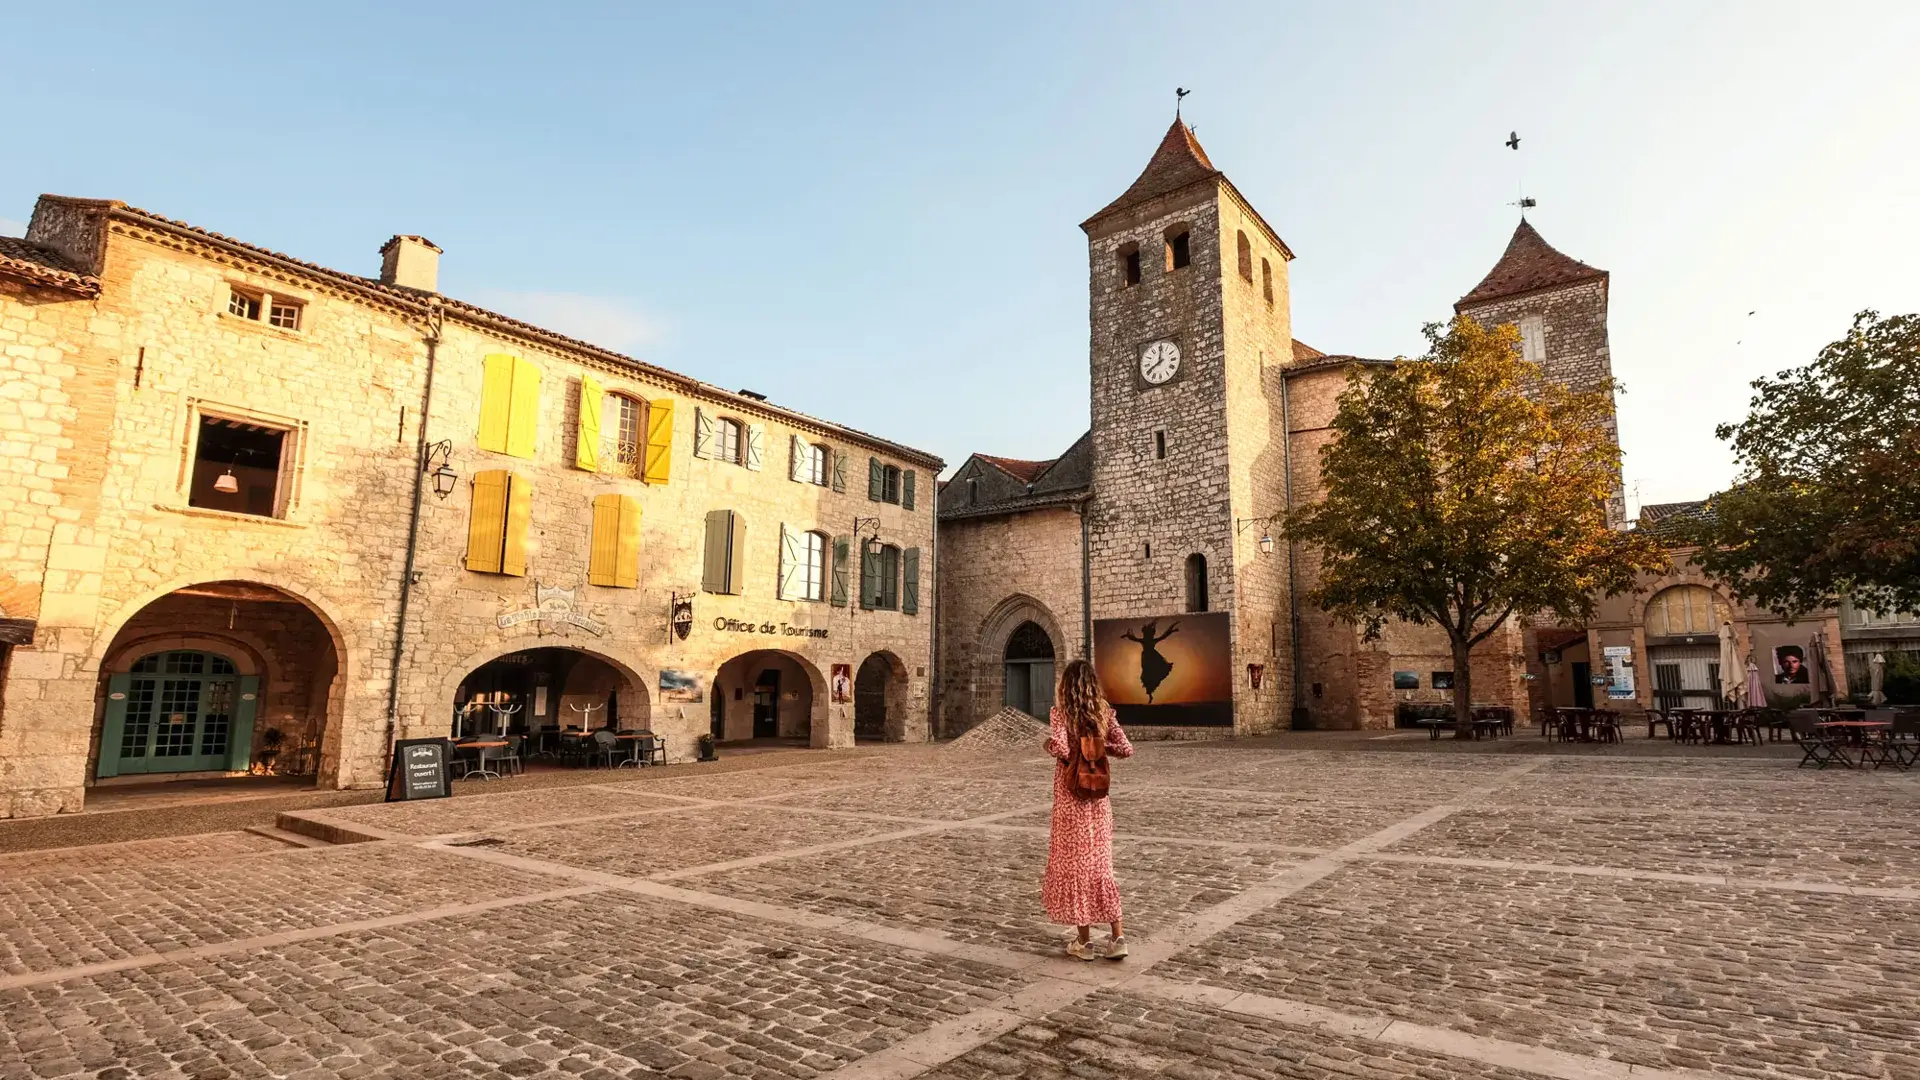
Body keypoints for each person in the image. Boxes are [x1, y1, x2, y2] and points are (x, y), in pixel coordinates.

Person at [1042, 658, 1135, 961]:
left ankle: (1085, 943)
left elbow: (1061, 748)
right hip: (1098, 802)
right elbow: (1125, 748)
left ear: (1065, 687)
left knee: (1077, 869)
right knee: (1101, 867)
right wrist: (1097, 746)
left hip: (1072, 802)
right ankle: (1118, 936)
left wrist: (1051, 746)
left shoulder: (1061, 714)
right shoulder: (1104, 713)